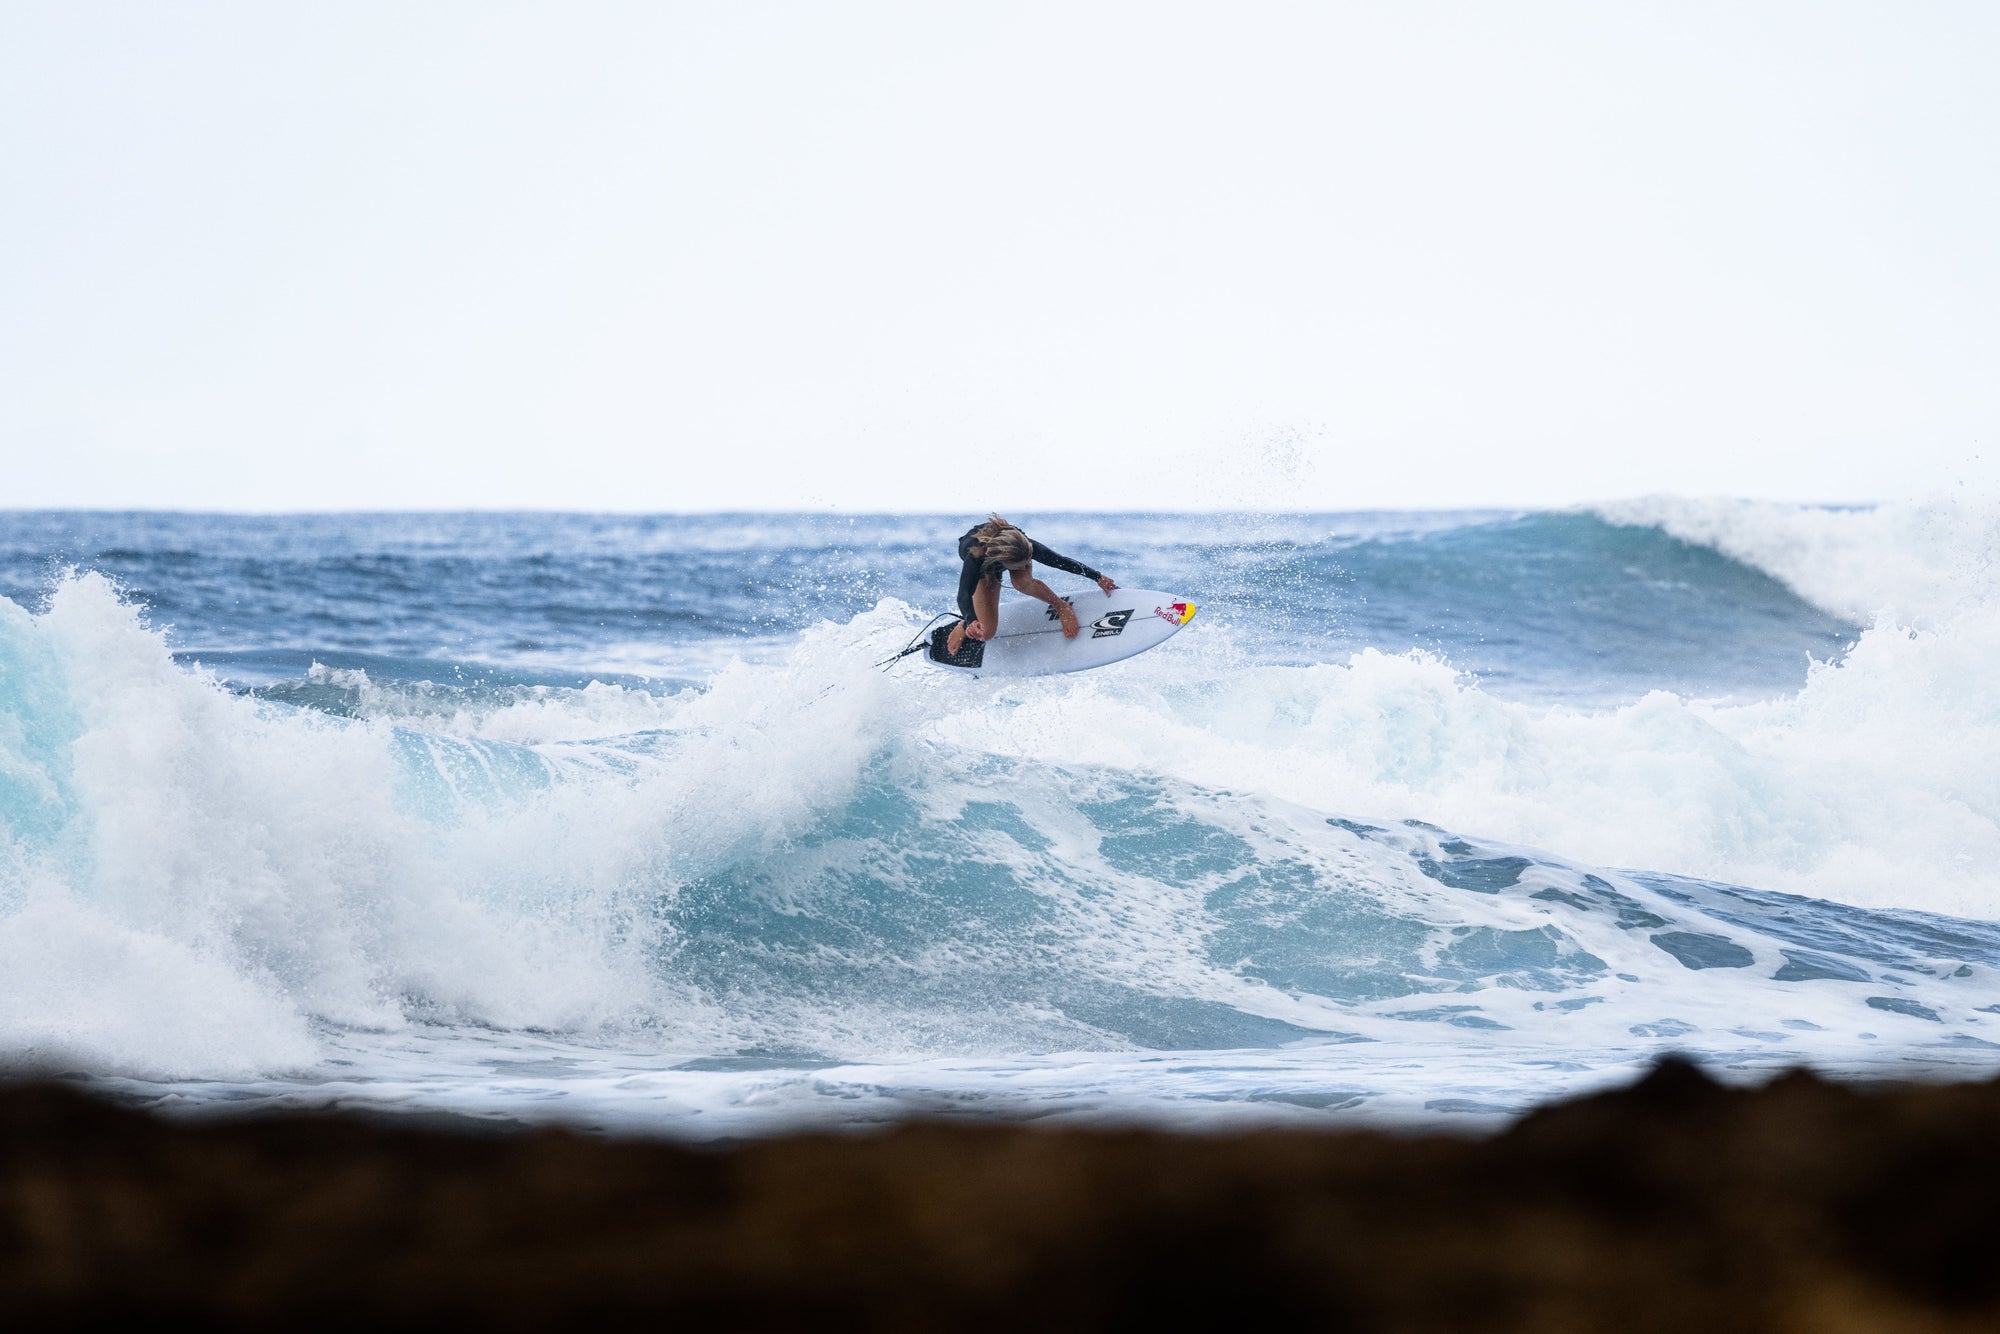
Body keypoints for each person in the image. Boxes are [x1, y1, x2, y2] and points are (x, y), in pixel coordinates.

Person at [946, 515, 1118, 657]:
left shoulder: (1025, 546)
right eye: (1021, 565)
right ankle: (961, 625)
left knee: (1022, 582)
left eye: (1028, 562)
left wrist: (1097, 577)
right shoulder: (975, 559)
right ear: (1003, 563)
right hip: (987, 567)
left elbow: (1060, 561)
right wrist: (970, 621)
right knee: (987, 632)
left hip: (1011, 548)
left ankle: (1061, 606)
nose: (1025, 567)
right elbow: (963, 595)